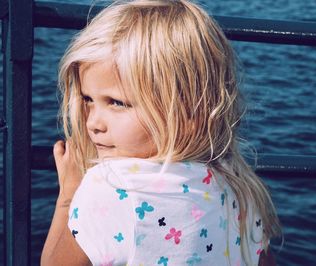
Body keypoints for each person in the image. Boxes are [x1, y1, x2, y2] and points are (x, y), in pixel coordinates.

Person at [41, 0, 281, 265]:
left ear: (187, 111)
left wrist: (68, 195)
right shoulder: (241, 186)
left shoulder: (111, 185)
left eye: (117, 103)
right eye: (88, 99)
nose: (93, 123)